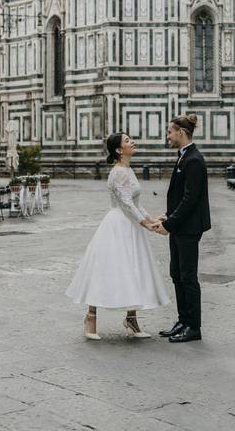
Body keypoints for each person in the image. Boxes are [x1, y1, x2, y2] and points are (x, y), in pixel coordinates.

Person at [65, 133, 170, 340]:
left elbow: (136, 202)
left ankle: (131, 319)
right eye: (128, 141)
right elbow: (126, 203)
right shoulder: (118, 173)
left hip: (131, 225)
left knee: (134, 269)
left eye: (131, 139)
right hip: (118, 225)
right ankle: (91, 317)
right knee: (105, 270)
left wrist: (150, 219)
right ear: (119, 151)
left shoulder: (128, 170)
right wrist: (146, 224)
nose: (133, 142)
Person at [149, 113, 211, 343]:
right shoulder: (184, 156)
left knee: (187, 276)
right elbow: (181, 196)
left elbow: (190, 199)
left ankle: (193, 327)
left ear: (181, 133)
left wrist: (169, 224)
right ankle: (183, 320)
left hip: (188, 227)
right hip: (180, 225)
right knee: (177, 274)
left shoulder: (193, 159)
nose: (168, 136)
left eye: (170, 132)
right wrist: (168, 216)